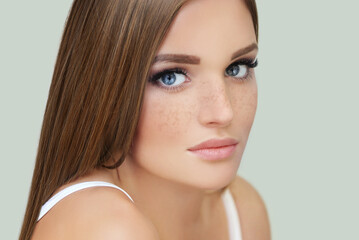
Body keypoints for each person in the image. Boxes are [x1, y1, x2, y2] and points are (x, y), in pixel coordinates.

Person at [19, 0, 270, 239]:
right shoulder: (107, 228)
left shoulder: (241, 211)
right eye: (171, 76)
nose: (223, 112)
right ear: (107, 84)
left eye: (238, 68)